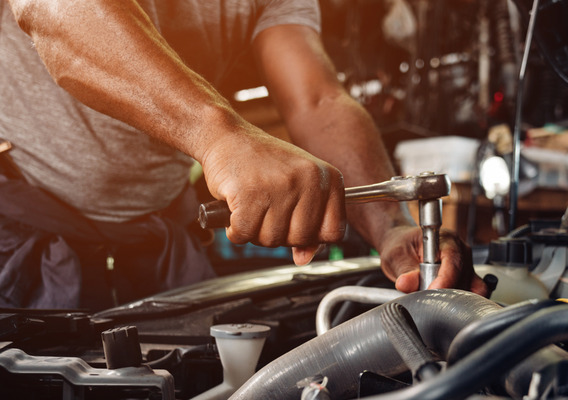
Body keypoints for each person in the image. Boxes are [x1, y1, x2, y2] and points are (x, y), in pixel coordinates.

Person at [0, 0, 487, 309]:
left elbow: (317, 100)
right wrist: (221, 136)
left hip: (153, 240)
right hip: (20, 229)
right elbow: (56, 9)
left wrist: (391, 228)